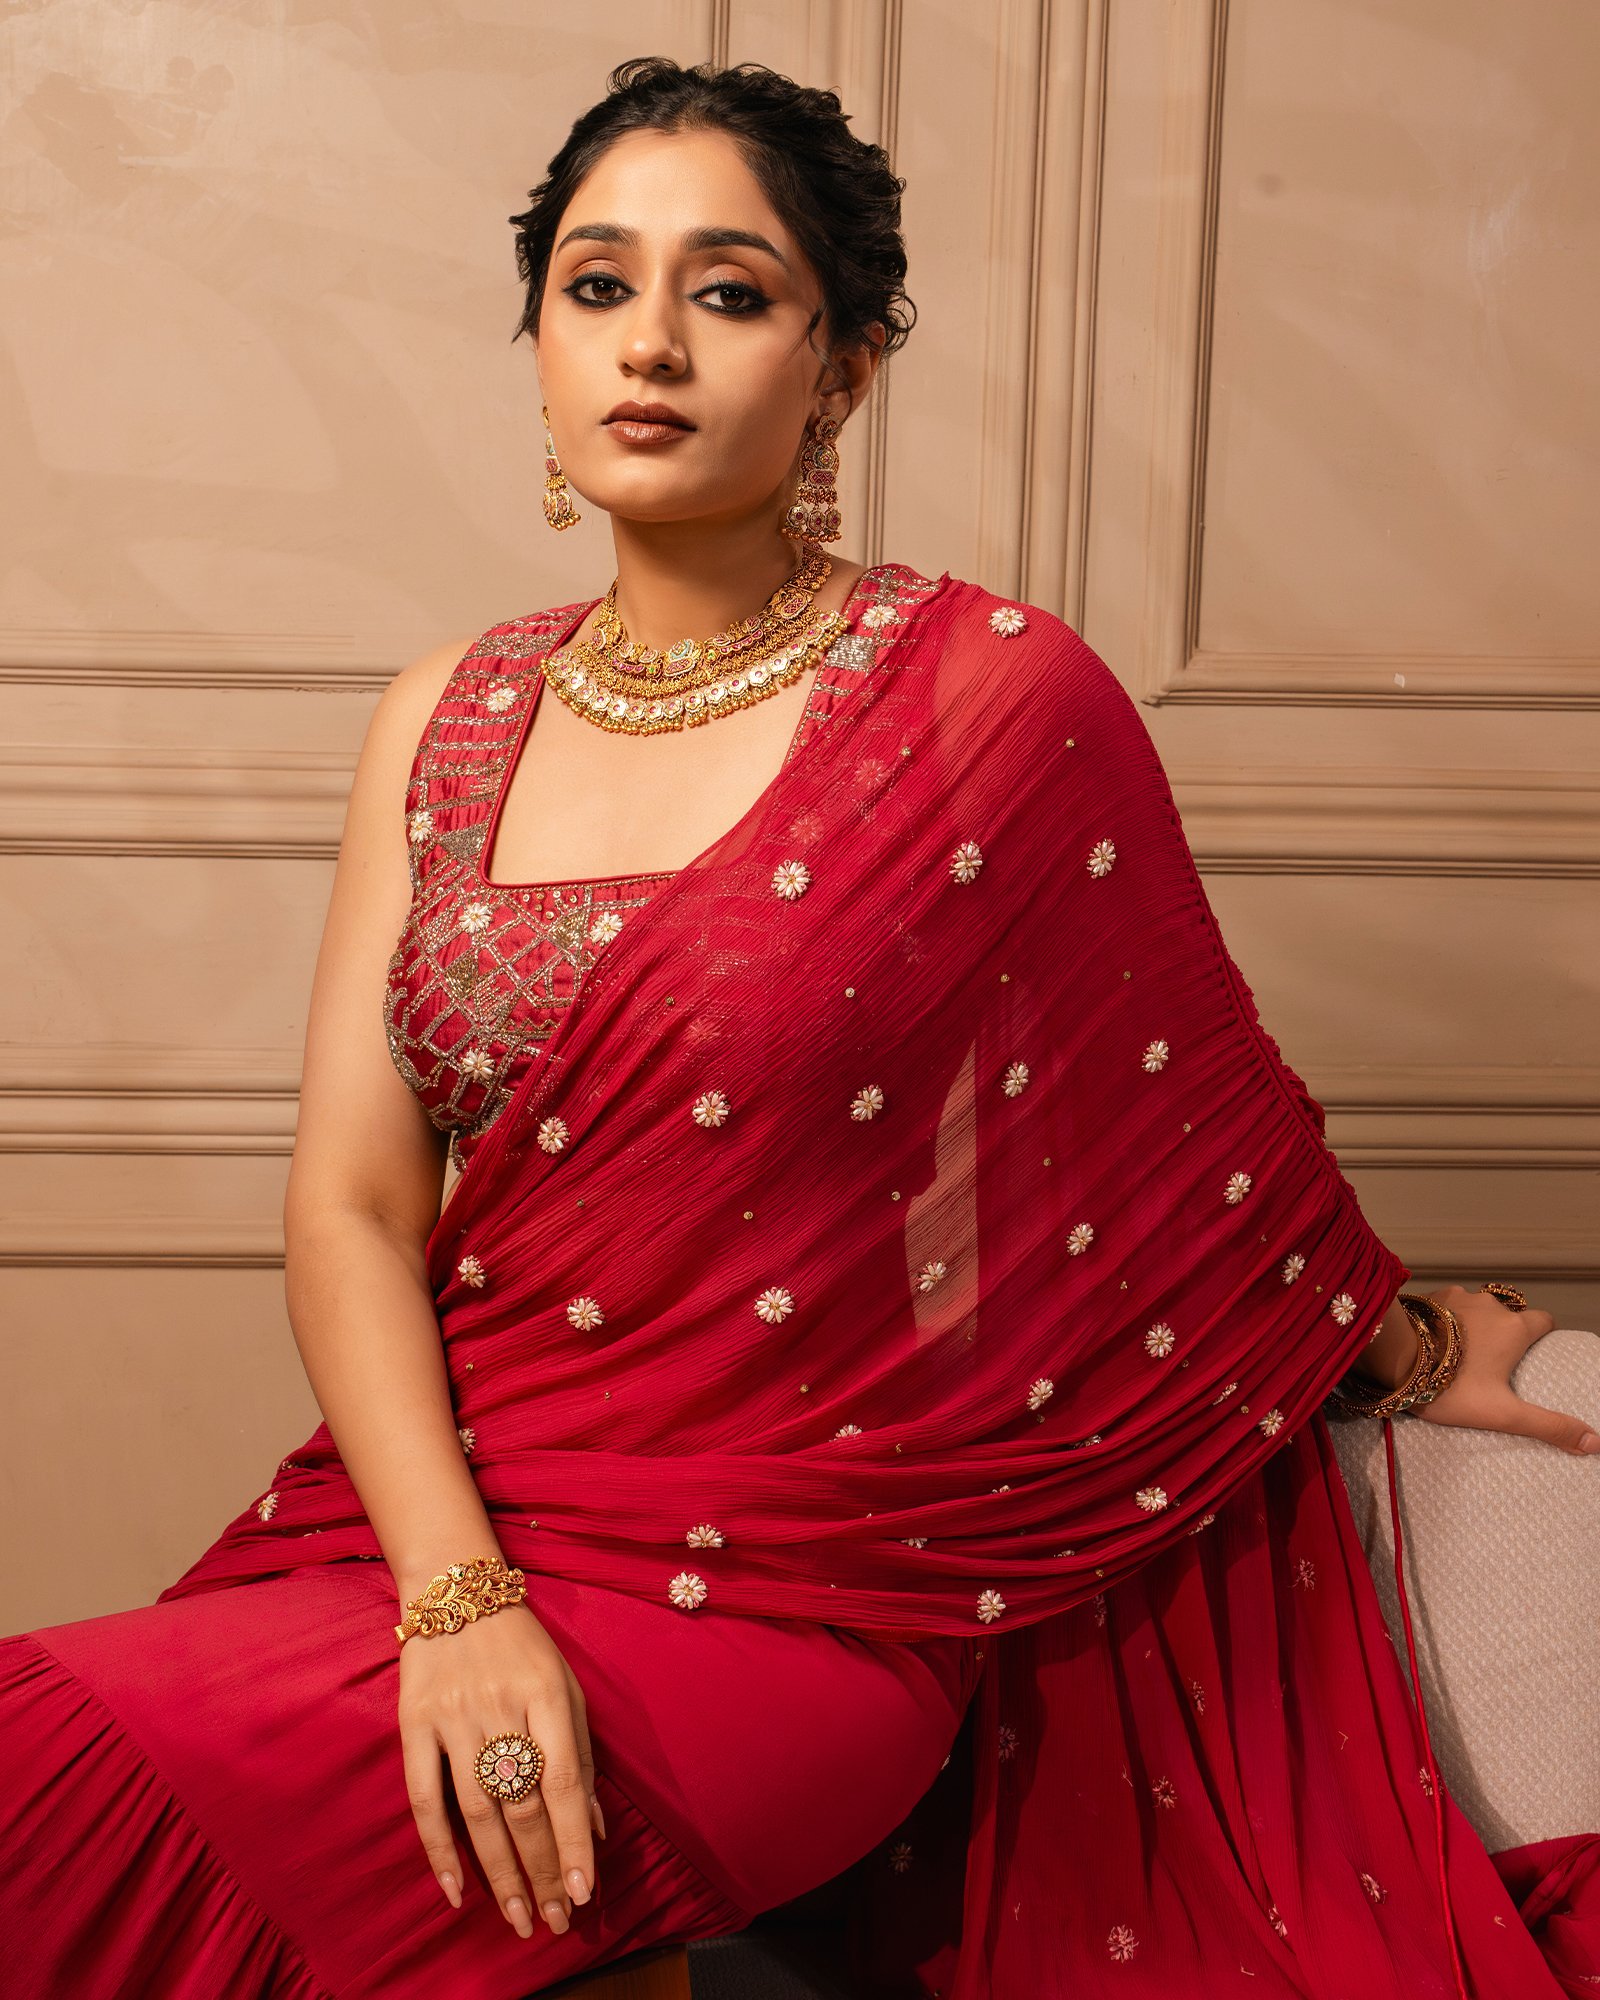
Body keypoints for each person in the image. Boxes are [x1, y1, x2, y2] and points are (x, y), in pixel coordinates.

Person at [1, 54, 1595, 2000]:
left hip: (788, 1610)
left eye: (731, 292)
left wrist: (1392, 1339)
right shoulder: (445, 713)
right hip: (437, 1536)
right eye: (597, 285)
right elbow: (350, 1203)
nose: (649, 342)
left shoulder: (988, 698)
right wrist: (458, 1595)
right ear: (536, 339)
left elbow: (1176, 1136)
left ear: (839, 367)